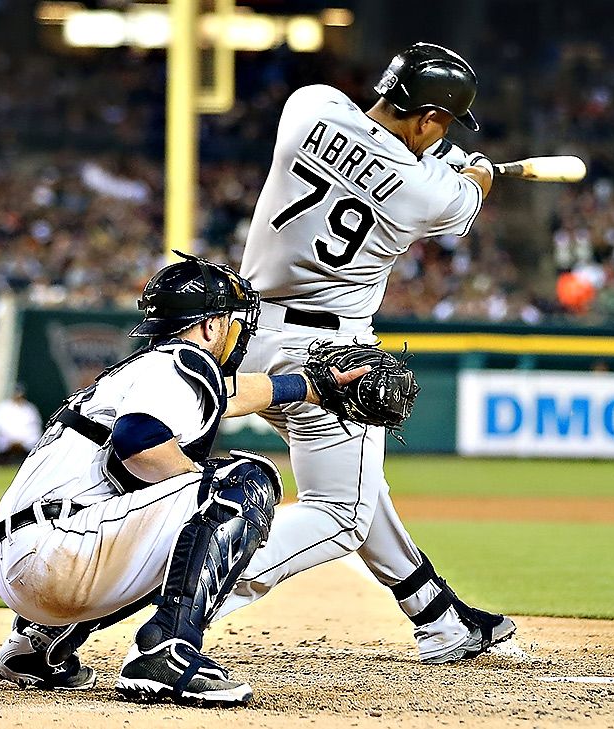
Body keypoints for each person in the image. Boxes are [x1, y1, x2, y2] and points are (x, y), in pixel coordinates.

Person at [217, 41, 516, 662]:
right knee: (342, 511)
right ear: (431, 120)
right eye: (442, 122)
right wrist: (478, 171)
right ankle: (189, 587)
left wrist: (438, 150)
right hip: (332, 359)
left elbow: (374, 134)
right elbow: (463, 196)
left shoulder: (307, 107)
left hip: (243, 337)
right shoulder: (426, 191)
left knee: (357, 483)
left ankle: (437, 614)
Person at [0, 254, 367, 706]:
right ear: (208, 327)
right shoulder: (182, 362)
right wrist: (205, 494)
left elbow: (233, 394)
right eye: (232, 321)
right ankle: (166, 650)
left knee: (184, 520)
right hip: (62, 550)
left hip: (26, 566)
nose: (238, 331)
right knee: (243, 483)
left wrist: (311, 386)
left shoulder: (148, 370)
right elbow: (138, 440)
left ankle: (37, 645)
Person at [0, 385, 43, 465]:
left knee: (34, 439)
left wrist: (21, 440)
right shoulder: (3, 407)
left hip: (25, 439)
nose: (18, 396)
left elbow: (35, 426)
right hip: (7, 438)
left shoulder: (30, 408)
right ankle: (1, 463)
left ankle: (30, 463)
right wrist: (13, 439)